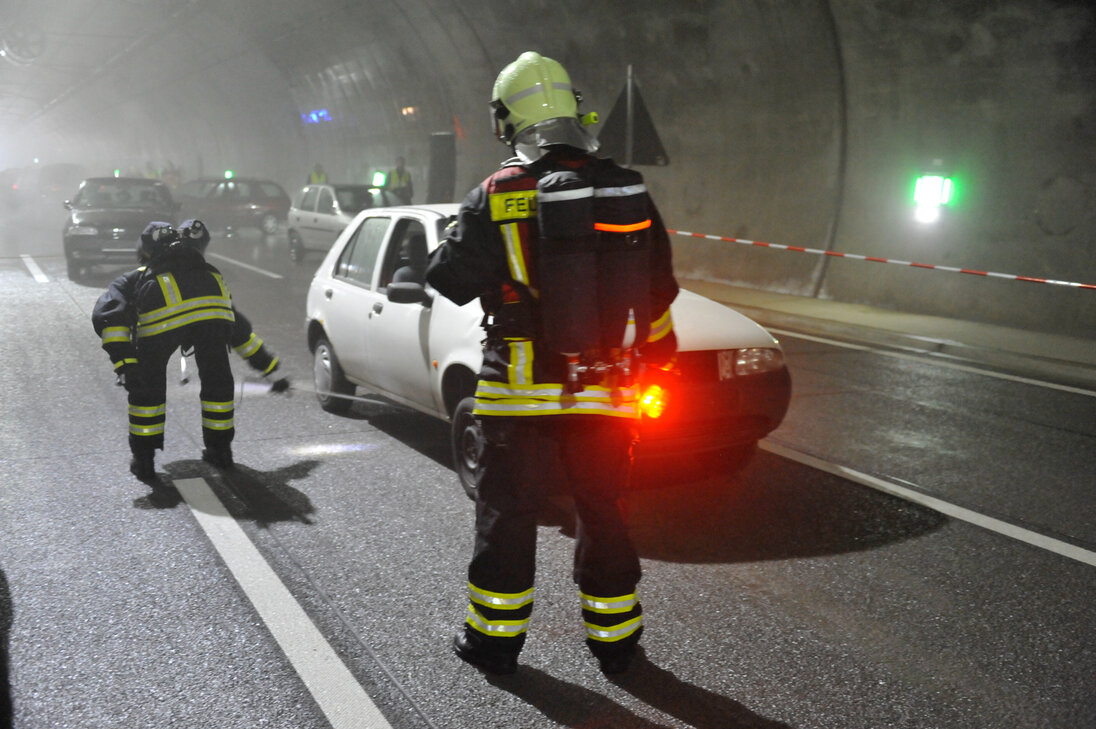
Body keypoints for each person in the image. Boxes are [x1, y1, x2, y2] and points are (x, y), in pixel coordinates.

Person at [425, 51, 679, 676]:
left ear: (509, 119)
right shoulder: (624, 189)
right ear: (572, 111)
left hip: (517, 396)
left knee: (508, 516)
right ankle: (618, 646)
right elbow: (659, 290)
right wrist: (653, 365)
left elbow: (451, 280)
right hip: (608, 392)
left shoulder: (495, 192)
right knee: (605, 514)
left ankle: (495, 643)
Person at [92, 222, 238, 484]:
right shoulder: (207, 270)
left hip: (161, 326)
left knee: (147, 390)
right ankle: (221, 451)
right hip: (213, 318)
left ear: (146, 250)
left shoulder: (136, 277)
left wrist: (125, 363)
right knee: (218, 382)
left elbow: (107, 317)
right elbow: (230, 313)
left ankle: (144, 461)